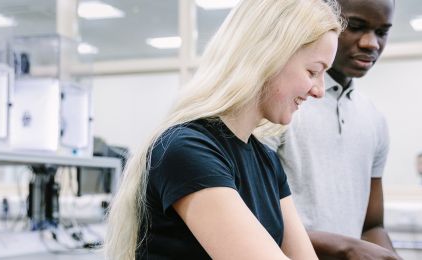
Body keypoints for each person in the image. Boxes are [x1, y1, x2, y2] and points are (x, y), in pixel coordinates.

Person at [104, 0, 343, 259]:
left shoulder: (268, 162)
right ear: (270, 56)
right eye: (313, 71)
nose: (319, 90)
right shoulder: (187, 150)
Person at [262, 0, 400, 259]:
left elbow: (371, 226)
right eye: (356, 27)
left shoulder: (374, 118)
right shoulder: (279, 106)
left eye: (382, 32)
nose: (371, 43)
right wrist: (347, 249)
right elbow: (256, 221)